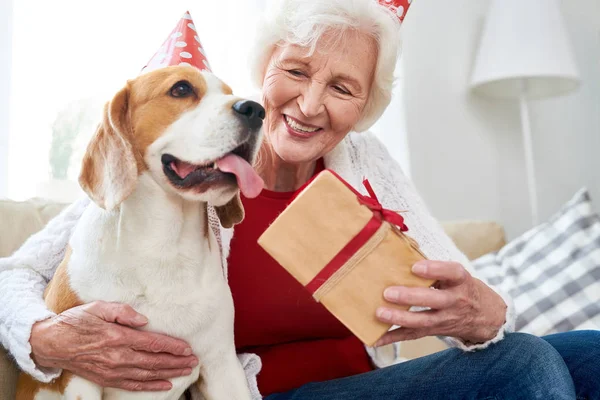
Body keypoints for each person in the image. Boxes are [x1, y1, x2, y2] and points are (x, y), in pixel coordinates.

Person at [1, 0, 598, 399]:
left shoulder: (367, 169)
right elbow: (15, 276)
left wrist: (483, 314)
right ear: (265, 68)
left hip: (372, 384)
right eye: (296, 71)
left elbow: (471, 307)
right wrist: (43, 339)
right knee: (525, 366)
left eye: (341, 87)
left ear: (364, 107)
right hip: (268, 393)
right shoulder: (187, 164)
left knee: (581, 355)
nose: (310, 105)